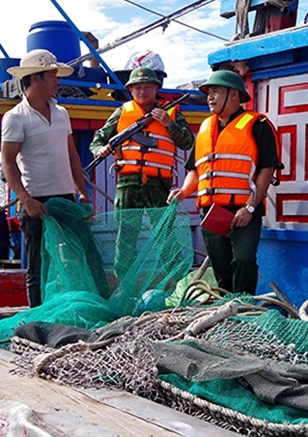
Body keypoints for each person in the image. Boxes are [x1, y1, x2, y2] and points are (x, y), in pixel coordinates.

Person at [168, 68, 280, 295]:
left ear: (235, 95)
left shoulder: (258, 125)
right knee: (220, 265)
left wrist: (249, 207)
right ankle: (224, 310)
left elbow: (267, 170)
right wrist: (183, 192)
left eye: (216, 91)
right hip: (211, 211)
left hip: (243, 211)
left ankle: (243, 306)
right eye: (209, 92)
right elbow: (196, 170)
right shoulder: (205, 128)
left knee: (243, 260)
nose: (210, 97)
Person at [1, 49, 90, 306]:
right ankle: (38, 316)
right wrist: (26, 201)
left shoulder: (62, 113)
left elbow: (72, 155)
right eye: (52, 75)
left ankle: (69, 308)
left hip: (66, 198)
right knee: (38, 265)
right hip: (37, 201)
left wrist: (82, 191)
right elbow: (8, 162)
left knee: (73, 260)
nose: (57, 80)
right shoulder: (15, 117)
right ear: (35, 78)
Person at [89, 66, 193, 280]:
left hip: (159, 184)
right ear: (130, 90)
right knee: (126, 236)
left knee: (165, 234)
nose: (142, 91)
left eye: (148, 87)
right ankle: (124, 283)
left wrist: (168, 123)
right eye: (137, 87)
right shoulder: (122, 112)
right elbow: (98, 140)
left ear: (156, 88)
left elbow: (187, 142)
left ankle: (179, 281)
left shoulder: (171, 112)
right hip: (128, 183)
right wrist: (100, 150)